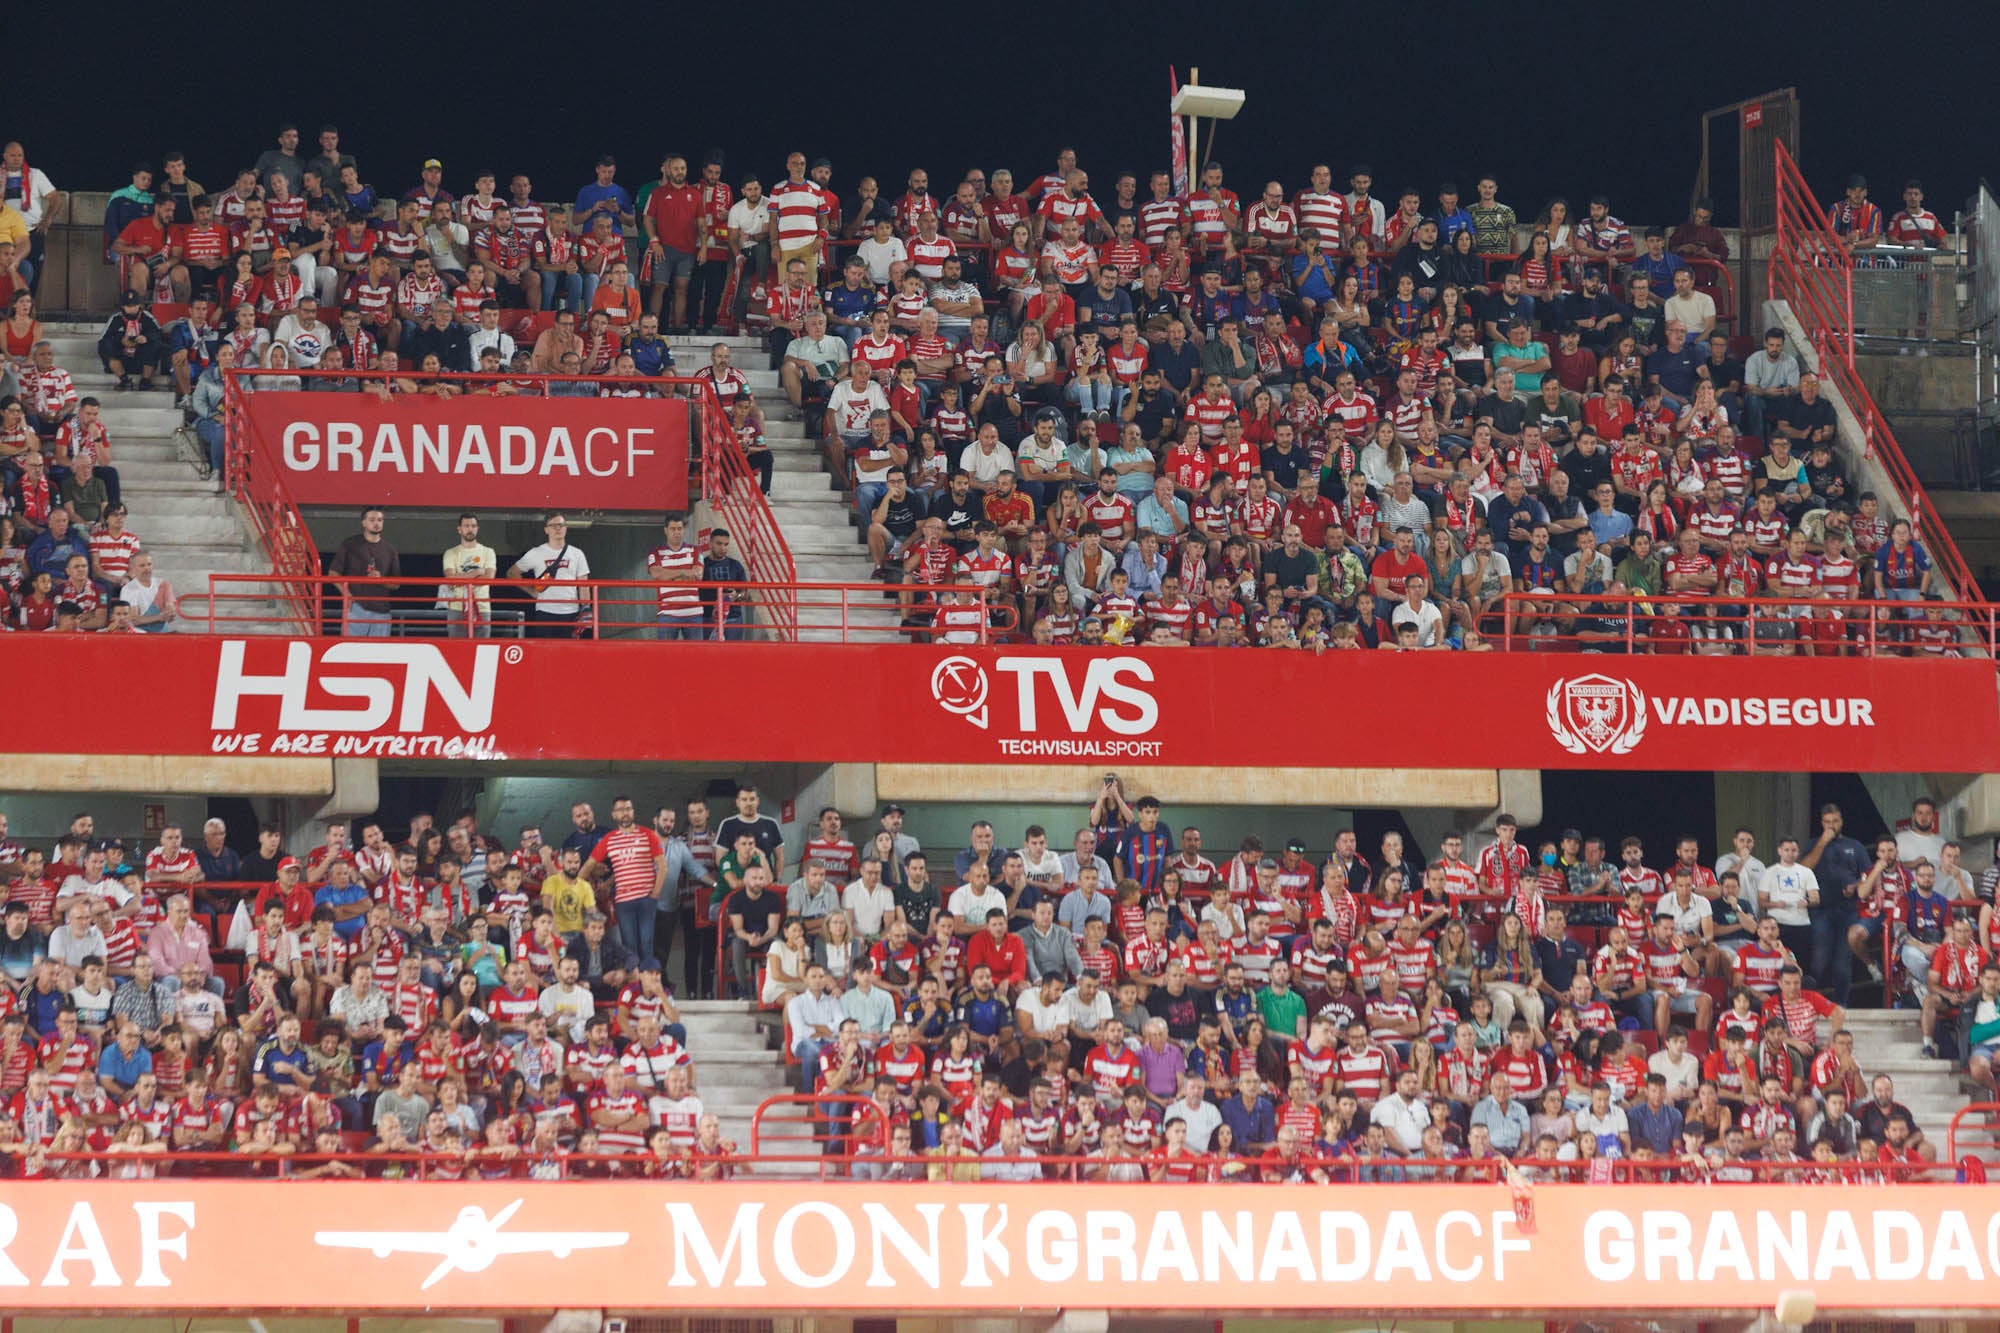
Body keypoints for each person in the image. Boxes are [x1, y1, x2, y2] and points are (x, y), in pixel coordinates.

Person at [506, 512, 593, 638]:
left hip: (571, 612)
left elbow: (584, 585)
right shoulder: (536, 553)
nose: (558, 528)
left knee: (568, 653)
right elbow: (512, 573)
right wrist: (531, 591)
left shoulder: (577, 554)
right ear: (546, 530)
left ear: (566, 528)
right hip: (545, 611)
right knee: (545, 653)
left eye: (561, 525)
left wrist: (586, 610)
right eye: (553, 525)